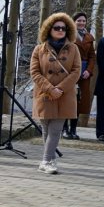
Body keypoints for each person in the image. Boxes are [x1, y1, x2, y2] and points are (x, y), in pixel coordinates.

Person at [28, 12, 80, 174]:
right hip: (45, 94)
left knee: (56, 129)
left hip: (65, 96)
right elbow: (34, 72)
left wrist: (61, 89)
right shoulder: (39, 49)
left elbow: (76, 71)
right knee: (46, 128)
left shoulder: (73, 49)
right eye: (56, 28)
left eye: (63, 28)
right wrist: (50, 89)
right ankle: (49, 158)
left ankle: (46, 161)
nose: (60, 30)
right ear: (49, 29)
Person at [64, 11, 96, 140]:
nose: (82, 23)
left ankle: (73, 129)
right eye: (79, 21)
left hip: (84, 72)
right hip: (70, 70)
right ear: (74, 22)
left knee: (79, 101)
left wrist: (89, 70)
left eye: (84, 21)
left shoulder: (89, 37)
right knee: (68, 99)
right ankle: (64, 128)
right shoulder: (67, 36)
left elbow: (92, 56)